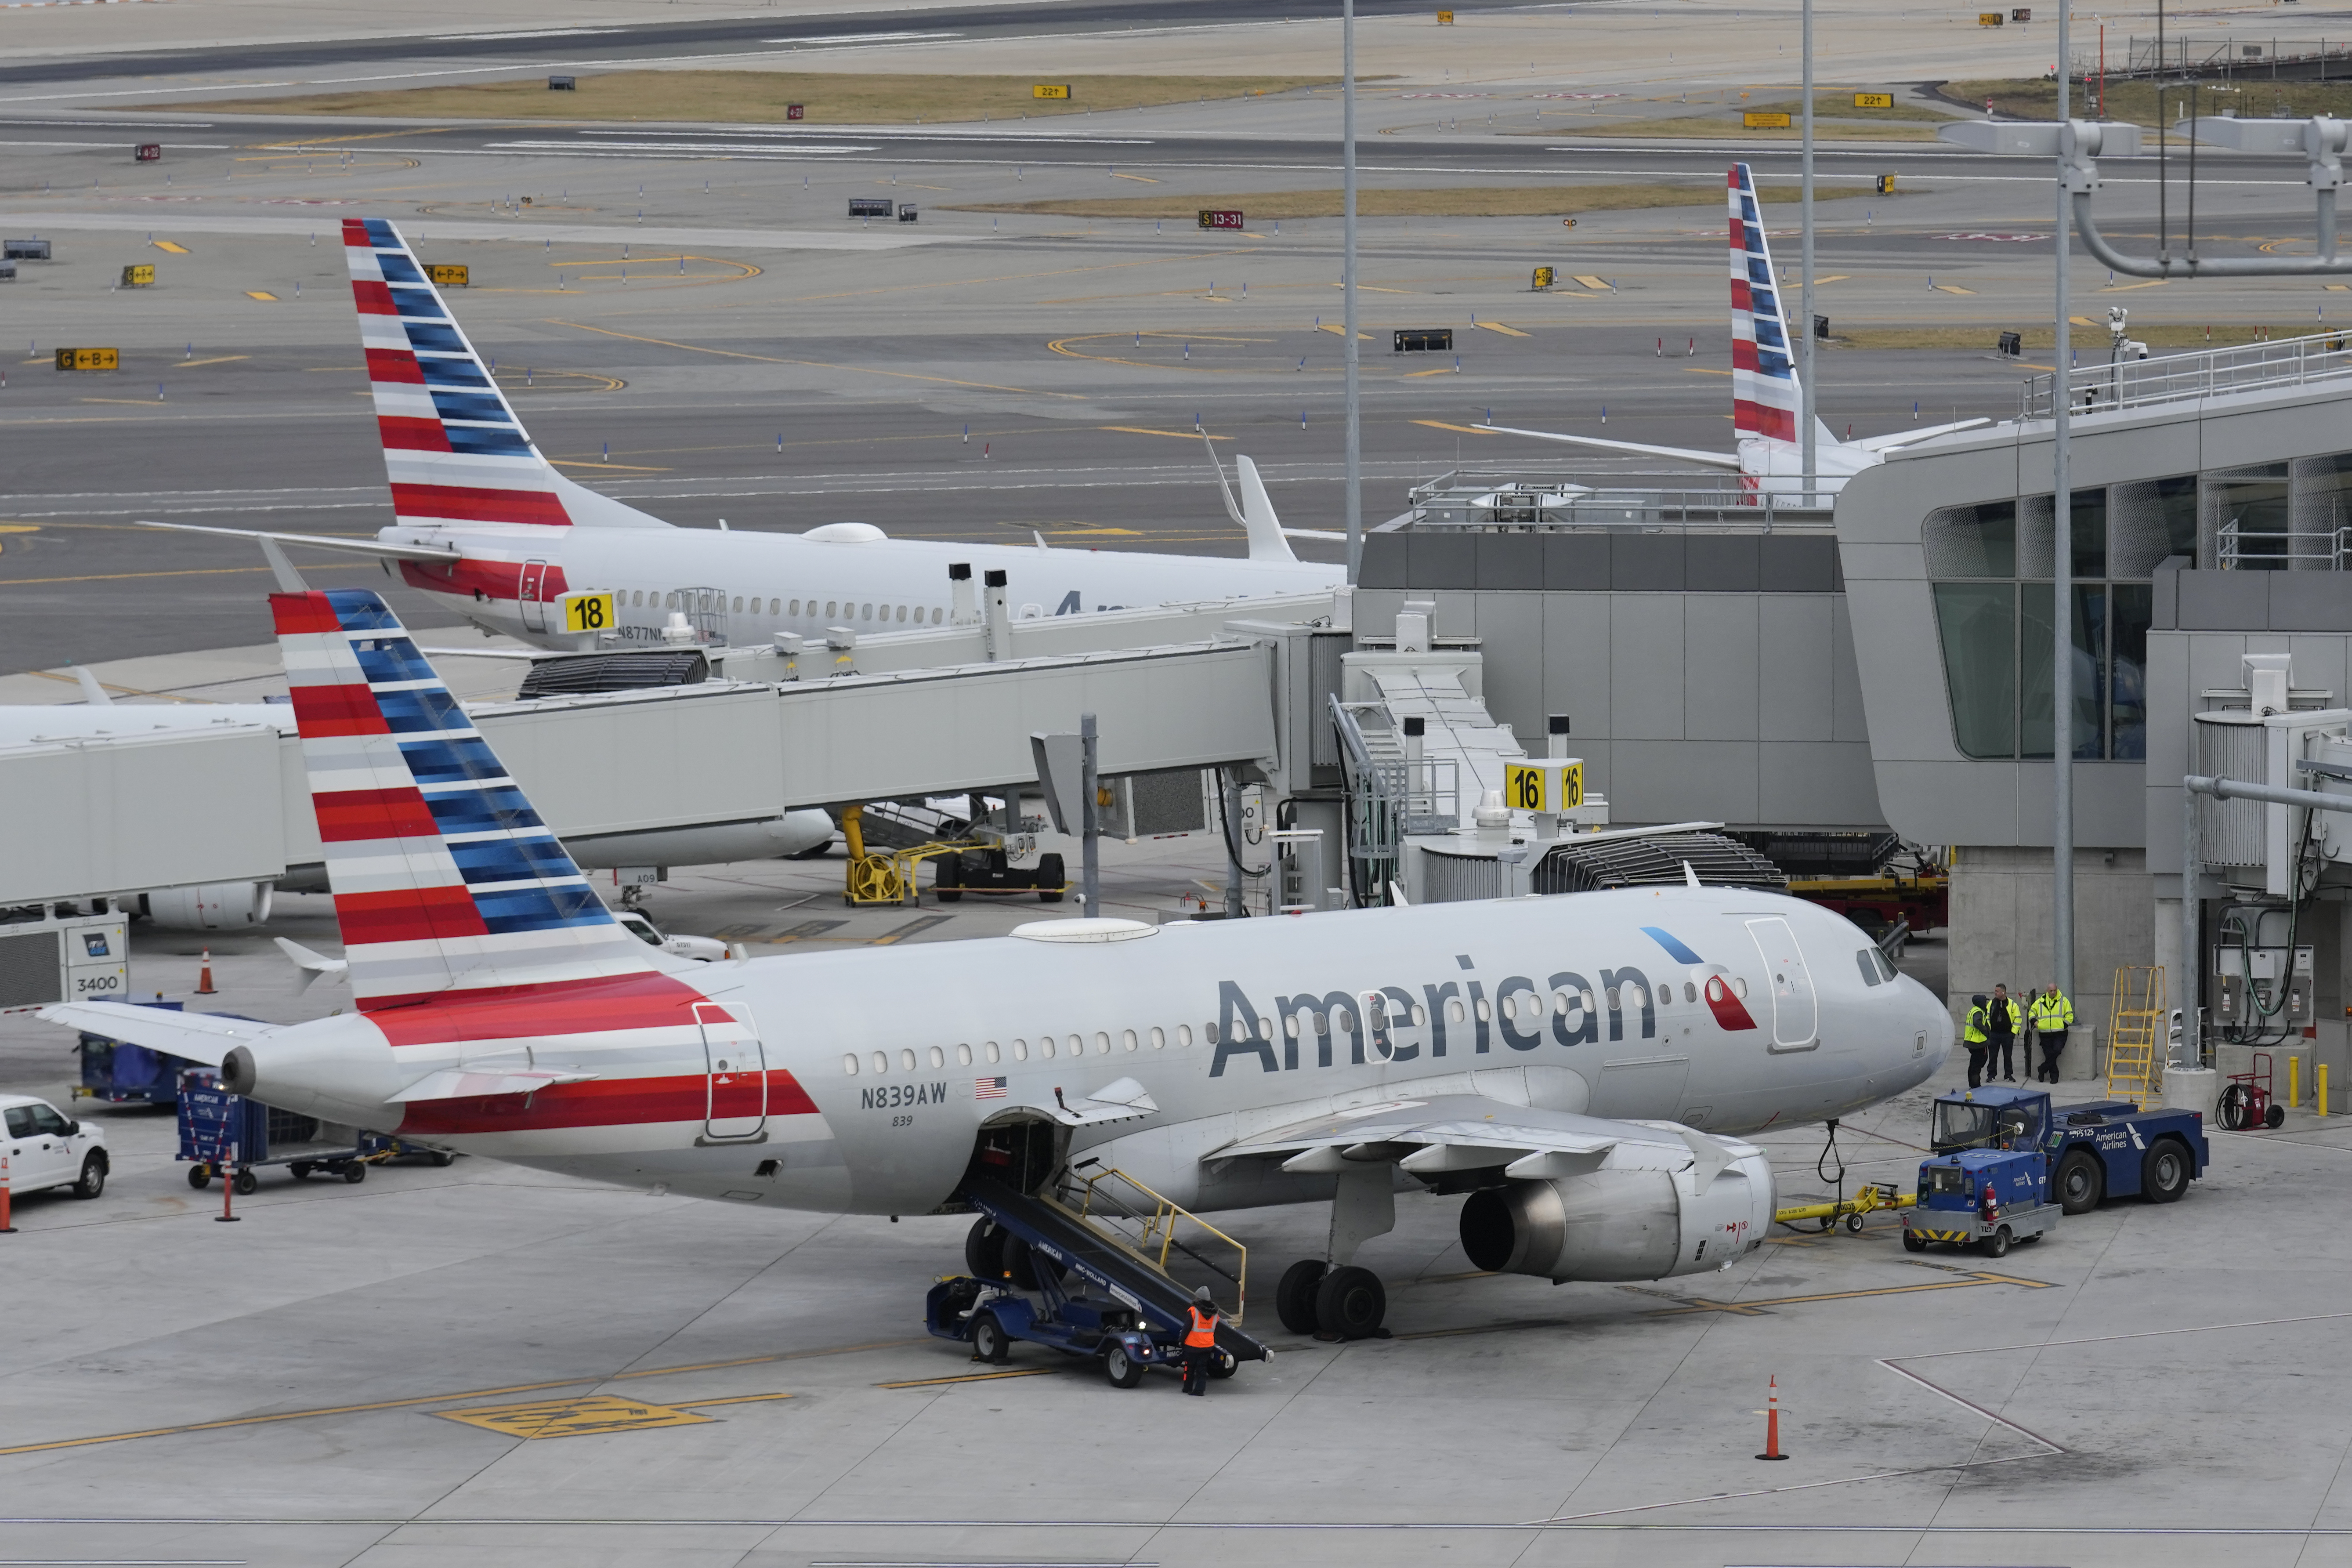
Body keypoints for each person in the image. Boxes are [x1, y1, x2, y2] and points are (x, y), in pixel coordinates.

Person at [1180, 1286, 1222, 1396]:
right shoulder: (1215, 1314)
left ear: (1198, 1298)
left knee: (1189, 1368)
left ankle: (1187, 1388)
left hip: (1192, 1345)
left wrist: (1181, 1340)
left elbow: (1186, 1328)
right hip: (1207, 1345)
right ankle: (1200, 1390)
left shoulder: (1193, 1311)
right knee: (1202, 1368)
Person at [2029, 982, 2073, 1083]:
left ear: (2057, 990)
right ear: (2047, 991)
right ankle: (2054, 1076)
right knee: (2049, 1055)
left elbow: (2070, 1015)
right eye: (2051, 991)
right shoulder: (2040, 1001)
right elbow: (2031, 1012)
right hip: (2045, 1034)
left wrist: (2064, 1025)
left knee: (2057, 1051)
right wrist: (2035, 1022)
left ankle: (2042, 1069)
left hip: (2060, 1033)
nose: (2053, 992)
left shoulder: (2064, 1001)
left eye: (2055, 990)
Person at [1986, 984, 2018, 1082]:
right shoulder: (1991, 1004)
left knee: (2008, 1056)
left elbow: (2018, 1019)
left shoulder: (2012, 1004)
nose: (1995, 993)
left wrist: (2013, 1033)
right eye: (1995, 991)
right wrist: (1989, 1031)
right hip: (1994, 1034)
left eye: (1998, 991)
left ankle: (2008, 1075)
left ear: (2003, 992)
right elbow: (1987, 1017)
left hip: (2008, 1035)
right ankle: (1991, 1075)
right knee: (1993, 1056)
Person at [1964, 994, 1991, 1090]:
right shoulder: (1979, 1012)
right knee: (1978, 1064)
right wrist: (1986, 1031)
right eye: (1985, 1002)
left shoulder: (1974, 1010)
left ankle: (1973, 1084)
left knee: (1974, 1064)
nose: (1986, 1004)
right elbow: (1977, 1022)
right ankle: (1976, 1085)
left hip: (1972, 1042)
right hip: (1979, 1043)